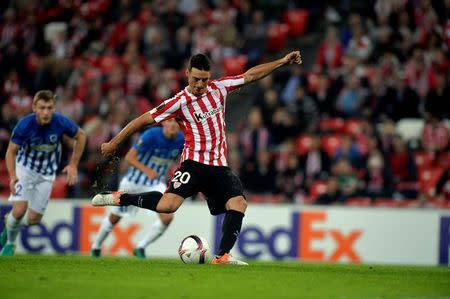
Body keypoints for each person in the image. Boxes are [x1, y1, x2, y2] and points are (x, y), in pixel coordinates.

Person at [91, 51, 302, 265]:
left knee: (238, 203)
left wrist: (282, 62)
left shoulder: (219, 88)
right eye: (196, 79)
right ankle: (120, 198)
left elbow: (251, 75)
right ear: (187, 74)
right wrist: (115, 142)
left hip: (219, 166)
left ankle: (222, 256)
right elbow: (143, 119)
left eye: (204, 79)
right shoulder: (179, 102)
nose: (200, 84)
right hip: (193, 164)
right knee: (168, 205)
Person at [0, 90, 86, 256]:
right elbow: (11, 151)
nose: (46, 112)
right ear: (34, 107)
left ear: (54, 108)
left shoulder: (60, 122)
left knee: (33, 220)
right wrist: (12, 176)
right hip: (24, 170)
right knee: (18, 211)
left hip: (46, 175)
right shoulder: (24, 125)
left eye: (49, 108)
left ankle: (9, 224)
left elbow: (81, 136)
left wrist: (73, 164)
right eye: (42, 108)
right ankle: (10, 244)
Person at [91, 119, 184, 259]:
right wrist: (147, 171)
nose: (173, 125)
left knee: (167, 217)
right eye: (169, 121)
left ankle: (140, 247)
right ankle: (96, 246)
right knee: (115, 217)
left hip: (155, 183)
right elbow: (129, 157)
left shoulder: (181, 139)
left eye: (176, 122)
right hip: (133, 181)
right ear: (164, 122)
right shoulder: (151, 135)